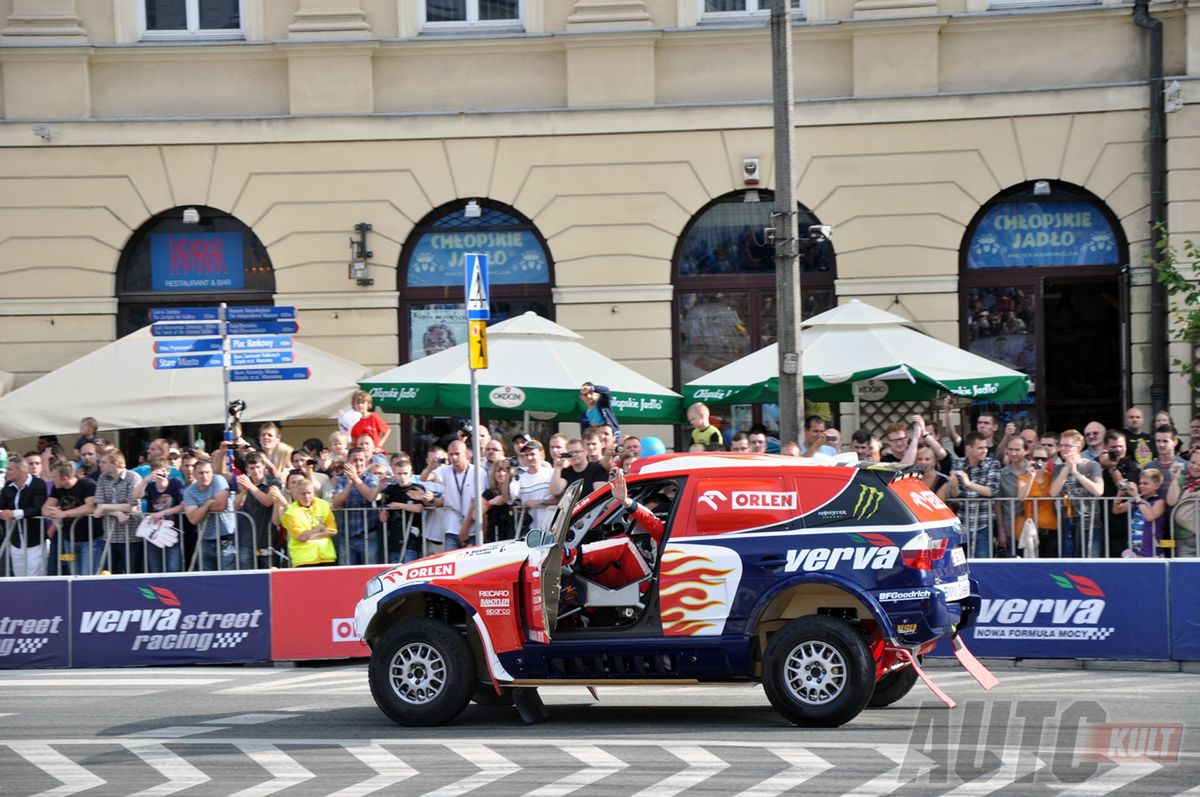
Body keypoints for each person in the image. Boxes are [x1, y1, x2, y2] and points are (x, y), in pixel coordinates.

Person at [942, 432, 1000, 558]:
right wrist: (953, 485)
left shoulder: (992, 464)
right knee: (961, 562)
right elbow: (955, 495)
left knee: (983, 565)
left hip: (983, 523)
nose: (984, 451)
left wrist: (968, 483)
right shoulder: (958, 463)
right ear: (968, 448)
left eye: (986, 447)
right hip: (962, 523)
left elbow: (991, 491)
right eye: (980, 448)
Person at [1049, 429, 1104, 559]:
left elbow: (1098, 491)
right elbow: (1053, 493)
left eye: (1067, 445)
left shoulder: (1092, 465)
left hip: (1089, 523)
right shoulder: (1058, 468)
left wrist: (1076, 473)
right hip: (1067, 523)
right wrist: (1065, 470)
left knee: (1089, 566)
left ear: (1078, 447)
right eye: (1061, 445)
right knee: (1068, 566)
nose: (1063, 449)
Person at [43, 461, 98, 575]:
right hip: (69, 540)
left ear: (65, 478)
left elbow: (91, 507)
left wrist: (64, 513)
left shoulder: (87, 484)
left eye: (55, 477)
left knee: (87, 577)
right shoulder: (57, 488)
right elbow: (45, 509)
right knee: (74, 578)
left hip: (90, 540)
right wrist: (55, 514)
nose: (53, 480)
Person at [94, 448, 143, 574]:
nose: (100, 465)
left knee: (131, 575)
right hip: (109, 537)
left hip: (131, 538)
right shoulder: (102, 478)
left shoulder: (133, 477)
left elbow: (132, 506)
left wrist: (105, 507)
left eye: (103, 462)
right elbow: (98, 506)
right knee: (107, 576)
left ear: (114, 463)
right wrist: (116, 512)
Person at [184, 455, 237, 572]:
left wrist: (200, 509)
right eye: (201, 473)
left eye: (207, 472)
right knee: (208, 580)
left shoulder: (219, 480)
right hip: (205, 539)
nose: (205, 476)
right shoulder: (189, 491)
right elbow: (193, 519)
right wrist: (207, 504)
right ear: (194, 475)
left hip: (227, 539)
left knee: (228, 578)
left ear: (212, 472)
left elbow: (220, 506)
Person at [132, 456, 186, 573]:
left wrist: (161, 513)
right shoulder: (151, 486)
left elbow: (182, 506)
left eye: (163, 471)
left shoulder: (176, 483)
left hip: (173, 532)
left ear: (168, 471)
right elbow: (135, 496)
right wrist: (145, 480)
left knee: (174, 567)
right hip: (154, 533)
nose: (161, 474)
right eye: (157, 471)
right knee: (155, 568)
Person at [331, 447, 383, 564]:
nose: (358, 463)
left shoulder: (372, 478)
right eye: (355, 460)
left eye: (361, 460)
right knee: (346, 576)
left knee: (369, 574)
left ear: (365, 461)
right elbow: (336, 502)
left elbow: (371, 496)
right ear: (348, 462)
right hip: (346, 536)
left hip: (368, 536)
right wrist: (349, 484)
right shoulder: (342, 480)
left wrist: (355, 479)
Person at [429, 440, 483, 550]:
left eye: (457, 454)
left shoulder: (478, 471)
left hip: (472, 531)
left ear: (466, 454)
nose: (454, 458)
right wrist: (430, 466)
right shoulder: (445, 470)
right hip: (451, 530)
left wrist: (465, 529)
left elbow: (476, 503)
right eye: (451, 454)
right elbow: (424, 478)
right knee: (451, 564)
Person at [233, 452, 284, 570]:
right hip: (246, 540)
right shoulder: (242, 483)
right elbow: (235, 507)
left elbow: (268, 502)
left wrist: (250, 487)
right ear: (246, 469)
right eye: (252, 468)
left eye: (258, 467)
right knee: (247, 579)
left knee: (270, 578)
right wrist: (244, 492)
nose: (255, 471)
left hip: (268, 539)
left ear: (264, 467)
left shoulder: (273, 482)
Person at [0, 456, 48, 576]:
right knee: (19, 578)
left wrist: (14, 514)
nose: (7, 472)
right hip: (16, 541)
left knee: (35, 578)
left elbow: (37, 508)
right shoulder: (8, 487)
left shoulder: (38, 484)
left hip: (34, 541)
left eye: (10, 469)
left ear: (20, 470)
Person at [1098, 430, 1141, 557]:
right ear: (1105, 447)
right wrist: (1102, 465)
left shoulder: (1131, 466)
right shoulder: (1097, 463)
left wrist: (1112, 468)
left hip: (1125, 526)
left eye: (1120, 447)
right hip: (1101, 524)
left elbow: (1128, 490)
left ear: (1126, 447)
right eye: (1113, 447)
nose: (1117, 450)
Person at [281, 478, 338, 567]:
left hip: (326, 557)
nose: (307, 497)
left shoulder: (324, 505)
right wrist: (319, 529)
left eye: (309, 493)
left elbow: (332, 530)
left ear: (314, 492)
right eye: (303, 494)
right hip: (304, 560)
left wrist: (309, 535)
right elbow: (301, 537)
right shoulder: (291, 513)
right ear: (296, 494)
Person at [378, 456, 425, 563]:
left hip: (412, 539)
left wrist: (398, 505)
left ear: (411, 473)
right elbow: (379, 502)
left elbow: (419, 508)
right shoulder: (390, 490)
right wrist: (381, 513)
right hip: (394, 539)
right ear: (394, 474)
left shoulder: (417, 488)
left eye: (405, 473)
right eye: (399, 474)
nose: (402, 477)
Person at [1113, 469, 1166, 557]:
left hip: (1152, 552)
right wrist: (1120, 493)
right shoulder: (1138, 499)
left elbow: (1150, 516)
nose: (1141, 486)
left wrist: (1136, 496)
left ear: (1156, 485)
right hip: (1135, 550)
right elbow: (1116, 510)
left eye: (1145, 484)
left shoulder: (1159, 502)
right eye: (1140, 483)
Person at [1019, 445, 1059, 557]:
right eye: (1036, 458)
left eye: (1044, 459)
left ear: (1048, 461)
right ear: (1030, 459)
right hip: (1031, 529)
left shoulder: (1051, 477)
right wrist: (1031, 477)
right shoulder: (1023, 479)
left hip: (1051, 528)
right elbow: (1021, 496)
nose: (1040, 462)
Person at [997, 436, 1030, 557]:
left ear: (1026, 451)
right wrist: (1001, 532)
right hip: (1010, 528)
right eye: (1010, 449)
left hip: (1034, 528)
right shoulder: (1002, 474)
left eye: (1017, 449)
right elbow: (998, 504)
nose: (1013, 453)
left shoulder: (1034, 471)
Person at [1166, 449, 1200, 558]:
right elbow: (1171, 501)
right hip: (1184, 538)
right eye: (1193, 462)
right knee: (1186, 573)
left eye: (1199, 464)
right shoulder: (1183, 480)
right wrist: (1175, 479)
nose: (1195, 467)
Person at [517, 439, 556, 532]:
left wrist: (540, 502)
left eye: (532, 454)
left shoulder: (551, 473)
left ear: (541, 454)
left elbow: (561, 500)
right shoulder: (519, 477)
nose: (529, 458)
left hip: (551, 529)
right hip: (528, 532)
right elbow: (511, 501)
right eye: (526, 455)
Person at [483, 459, 520, 544]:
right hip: (495, 535)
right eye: (498, 471)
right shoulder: (489, 492)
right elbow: (475, 515)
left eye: (505, 471)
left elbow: (506, 497)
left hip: (513, 534)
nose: (501, 474)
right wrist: (491, 502)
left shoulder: (515, 488)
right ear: (493, 473)